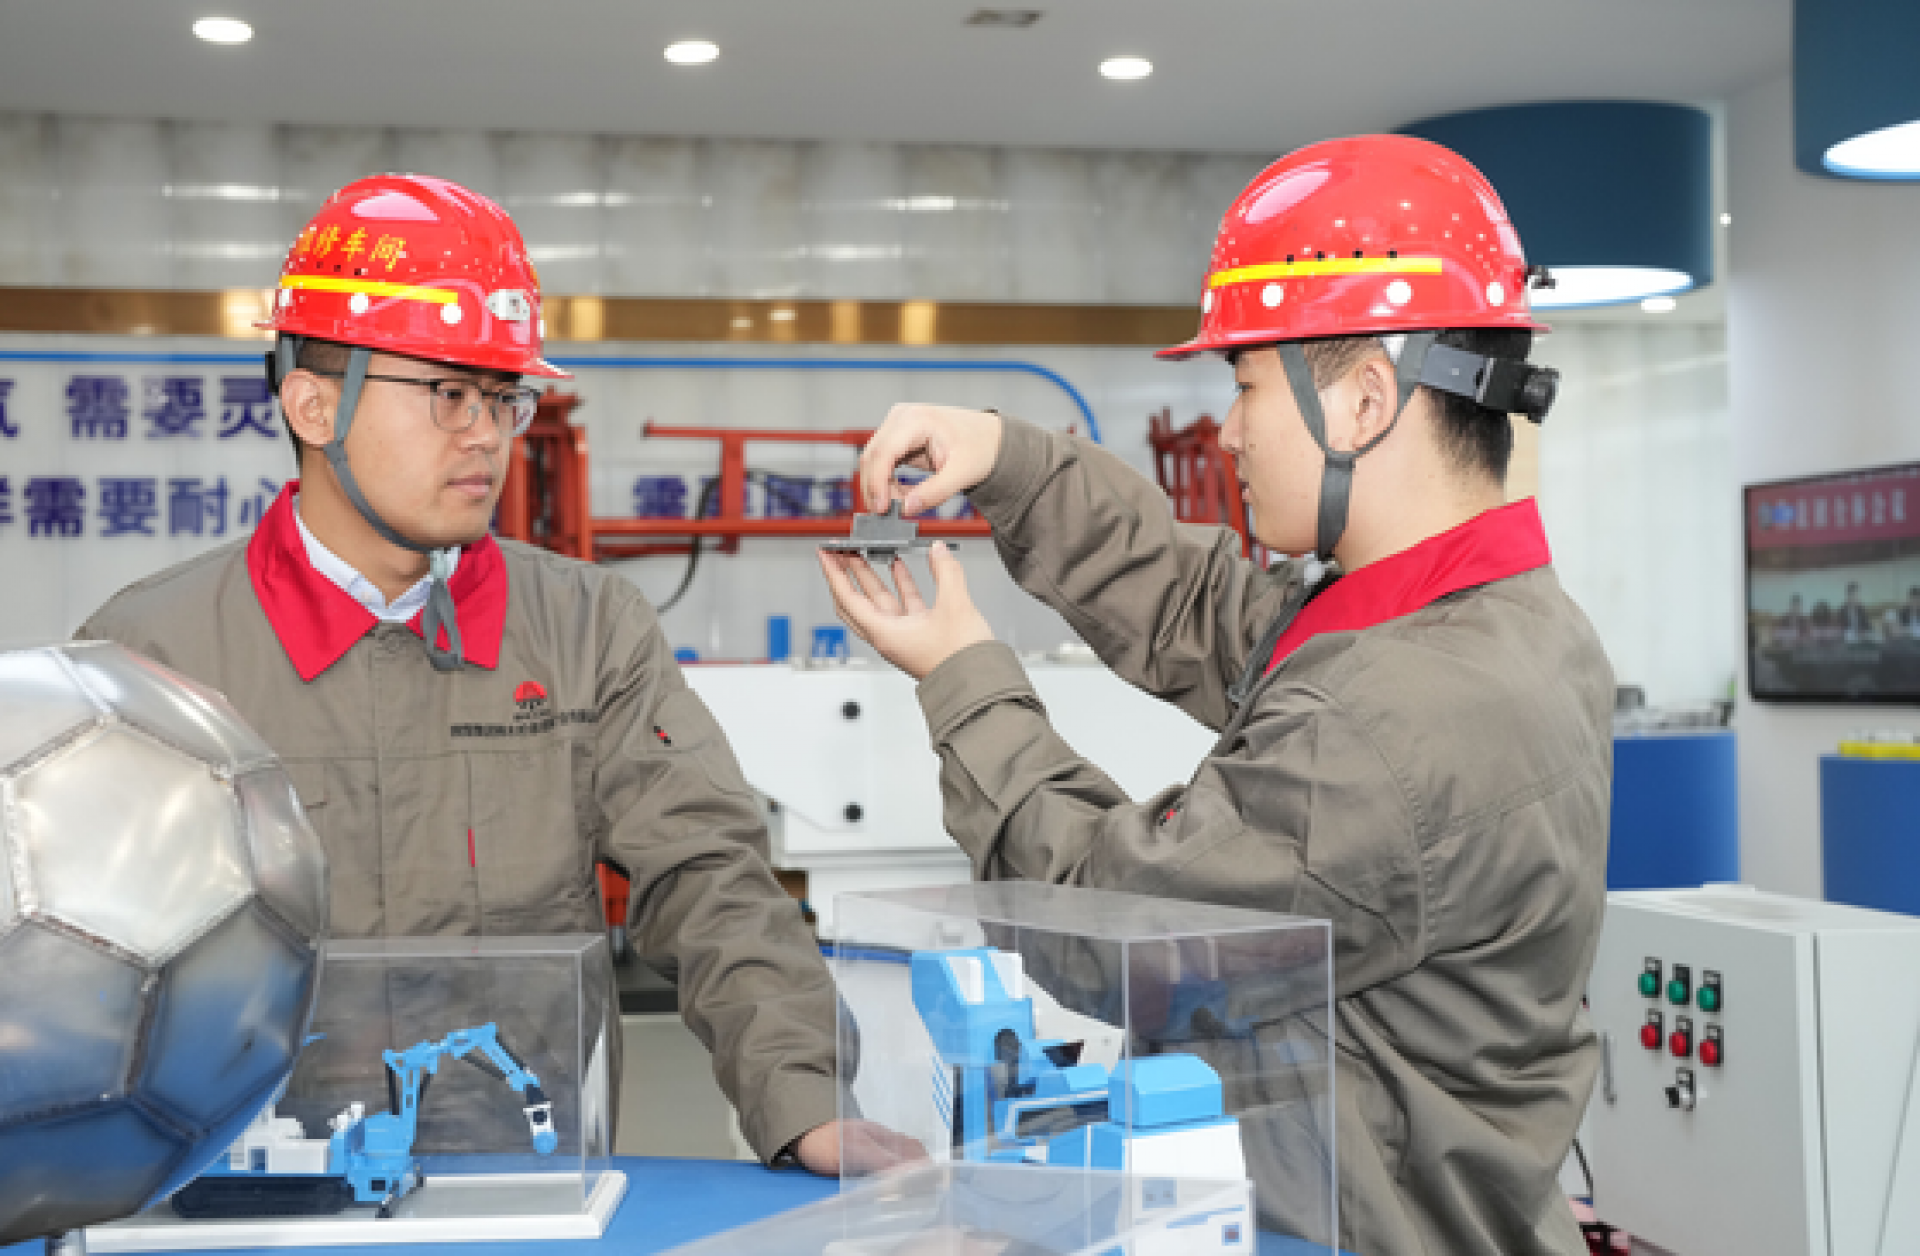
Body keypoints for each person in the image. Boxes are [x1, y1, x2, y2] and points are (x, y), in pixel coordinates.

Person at [817, 136, 1614, 1255]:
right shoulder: (1482, 621)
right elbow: (1199, 605)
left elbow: (1114, 920)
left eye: (1245, 386)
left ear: (1366, 400)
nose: (1229, 429)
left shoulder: (1397, 716)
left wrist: (961, 673)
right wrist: (1007, 458)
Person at [77, 174, 916, 1174]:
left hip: (528, 1183)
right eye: (448, 394)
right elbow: (81, 954)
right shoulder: (156, 657)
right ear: (314, 403)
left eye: (503, 397)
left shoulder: (585, 631)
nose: (485, 433)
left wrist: (804, 1098)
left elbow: (710, 877)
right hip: (240, 1192)